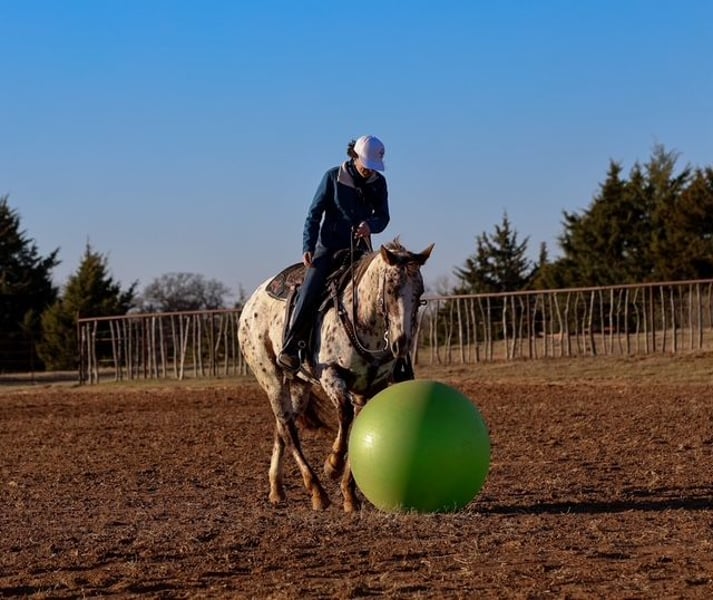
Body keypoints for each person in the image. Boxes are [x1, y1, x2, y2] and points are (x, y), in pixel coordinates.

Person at [277, 135, 390, 372]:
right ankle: (290, 347)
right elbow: (314, 214)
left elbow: (383, 216)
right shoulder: (332, 177)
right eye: (366, 165)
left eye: (373, 167)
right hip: (329, 247)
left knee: (386, 292)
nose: (369, 171)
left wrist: (370, 225)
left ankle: (398, 360)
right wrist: (308, 246)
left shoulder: (379, 183)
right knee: (310, 290)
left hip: (361, 251)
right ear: (355, 156)